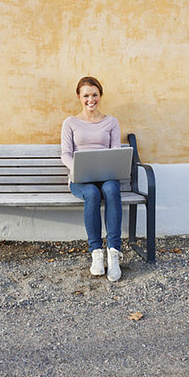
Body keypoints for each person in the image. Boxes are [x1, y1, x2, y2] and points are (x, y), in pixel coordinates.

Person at [61, 76, 123, 281]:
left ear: (100, 96)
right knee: (91, 193)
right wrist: (78, 169)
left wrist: (110, 168)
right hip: (81, 178)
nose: (91, 99)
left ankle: (113, 253)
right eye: (86, 95)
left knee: (112, 189)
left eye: (95, 95)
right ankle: (96, 253)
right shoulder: (70, 122)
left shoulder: (111, 122)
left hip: (107, 175)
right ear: (79, 97)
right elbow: (65, 154)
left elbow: (115, 151)